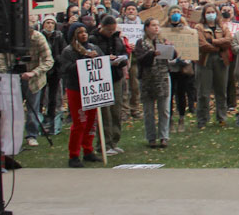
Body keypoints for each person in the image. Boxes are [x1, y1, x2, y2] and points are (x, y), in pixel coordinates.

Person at [58, 23, 103, 168]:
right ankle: (74, 154)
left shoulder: (94, 48)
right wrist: (84, 60)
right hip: (76, 89)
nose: (84, 34)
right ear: (73, 35)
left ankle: (88, 150)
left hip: (92, 89)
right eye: (80, 32)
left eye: (85, 32)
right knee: (80, 123)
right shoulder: (68, 51)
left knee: (91, 121)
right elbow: (67, 68)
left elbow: (102, 62)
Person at [89, 15, 128, 154]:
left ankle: (114, 140)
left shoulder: (117, 38)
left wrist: (120, 59)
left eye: (113, 30)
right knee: (105, 113)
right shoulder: (93, 39)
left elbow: (124, 53)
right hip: (102, 77)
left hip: (116, 76)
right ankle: (104, 143)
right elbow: (92, 58)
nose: (111, 32)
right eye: (108, 30)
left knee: (116, 110)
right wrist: (106, 59)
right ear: (102, 27)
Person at [133, 18, 175, 148]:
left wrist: (171, 48)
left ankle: (164, 136)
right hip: (147, 79)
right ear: (146, 27)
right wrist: (152, 54)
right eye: (153, 25)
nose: (156, 28)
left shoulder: (162, 41)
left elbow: (173, 56)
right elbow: (140, 59)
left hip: (162, 77)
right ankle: (151, 137)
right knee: (149, 111)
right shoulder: (141, 43)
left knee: (164, 109)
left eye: (158, 25)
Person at [194, 4, 232, 128]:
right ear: (204, 15)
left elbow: (229, 40)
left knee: (221, 91)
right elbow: (202, 44)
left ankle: (222, 117)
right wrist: (218, 48)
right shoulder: (199, 27)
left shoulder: (222, 26)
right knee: (203, 93)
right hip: (205, 61)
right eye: (208, 12)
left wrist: (214, 42)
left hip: (221, 61)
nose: (211, 14)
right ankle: (202, 119)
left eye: (213, 11)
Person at [19, 23, 54, 147]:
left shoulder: (38, 38)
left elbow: (49, 60)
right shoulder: (14, 39)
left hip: (34, 78)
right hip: (16, 77)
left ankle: (32, 135)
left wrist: (34, 72)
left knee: (32, 109)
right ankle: (15, 135)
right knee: (15, 109)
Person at [164, 8, 195, 132]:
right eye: (173, 12)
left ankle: (181, 118)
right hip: (170, 68)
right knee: (169, 95)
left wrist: (185, 59)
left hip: (182, 68)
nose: (175, 14)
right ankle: (170, 119)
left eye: (178, 12)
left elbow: (191, 47)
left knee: (181, 94)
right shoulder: (164, 31)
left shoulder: (187, 31)